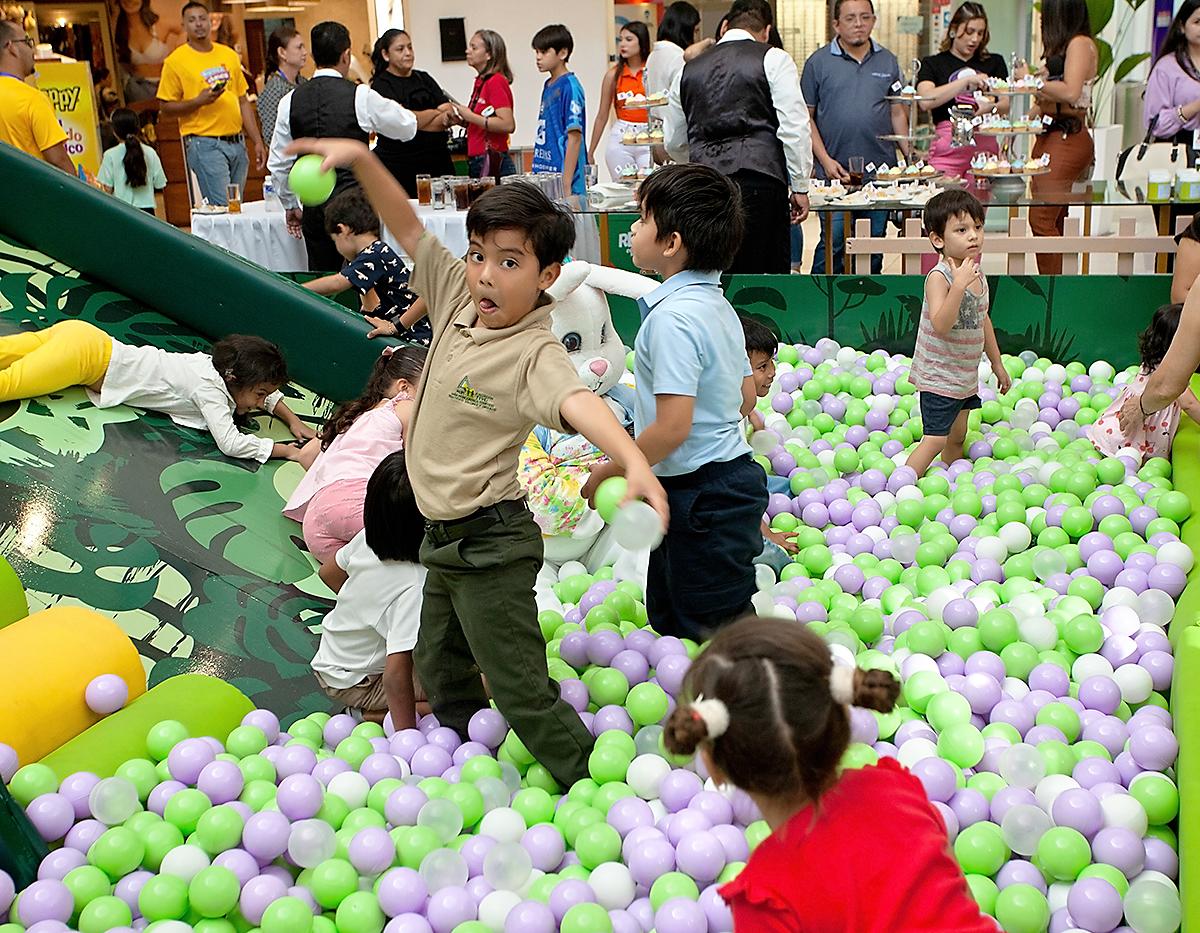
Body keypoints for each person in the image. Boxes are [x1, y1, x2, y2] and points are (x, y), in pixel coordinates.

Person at [284, 134, 667, 786]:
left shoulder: (533, 352)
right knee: (437, 660)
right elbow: (405, 221)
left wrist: (632, 456)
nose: (486, 273)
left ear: (547, 276)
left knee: (519, 684)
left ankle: (584, 781)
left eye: (510, 261)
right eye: (478, 255)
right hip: (439, 535)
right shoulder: (459, 297)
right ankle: (467, 753)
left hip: (492, 544)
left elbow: (578, 402)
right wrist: (358, 156)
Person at [663, 617, 995, 932]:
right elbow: (958, 895)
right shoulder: (896, 786)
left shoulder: (766, 895)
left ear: (713, 764)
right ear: (843, 718)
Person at [584, 164, 765, 641]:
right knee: (679, 605)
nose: (634, 228)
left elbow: (672, 427)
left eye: (642, 218)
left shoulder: (671, 321)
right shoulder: (719, 306)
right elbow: (746, 397)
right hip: (725, 481)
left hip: (701, 493)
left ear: (671, 243)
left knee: (709, 624)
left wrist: (617, 465)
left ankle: (753, 702)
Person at [0, 321, 312, 462]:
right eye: (259, 394)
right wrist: (289, 452)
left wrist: (292, 419)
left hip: (83, 337)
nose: (261, 401)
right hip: (83, 359)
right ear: (235, 380)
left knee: (6, 353)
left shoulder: (214, 367)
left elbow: (265, 392)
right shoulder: (209, 391)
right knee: (8, 385)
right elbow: (229, 443)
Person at [665, 0, 812, 275]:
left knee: (711, 273)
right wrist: (800, 185)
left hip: (706, 187)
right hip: (761, 180)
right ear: (766, 31)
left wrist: (700, 159)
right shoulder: (773, 58)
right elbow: (794, 126)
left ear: (724, 27)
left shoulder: (687, 70)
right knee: (763, 280)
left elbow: (673, 140)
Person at [268, 21, 417, 272]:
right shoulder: (359, 95)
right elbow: (408, 126)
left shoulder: (290, 100)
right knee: (366, 280)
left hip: (314, 207)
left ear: (314, 56)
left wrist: (290, 205)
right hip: (356, 208)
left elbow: (279, 163)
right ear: (346, 55)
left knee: (324, 278)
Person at [312, 450, 426, 729]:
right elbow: (396, 675)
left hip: (332, 657)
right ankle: (365, 716)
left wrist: (365, 608)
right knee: (468, 691)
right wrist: (406, 736)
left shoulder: (368, 538)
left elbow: (328, 573)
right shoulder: (414, 584)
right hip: (360, 682)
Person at [286, 346, 425, 564]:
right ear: (404, 387)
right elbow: (416, 463)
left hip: (316, 526)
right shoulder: (406, 406)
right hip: (358, 507)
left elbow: (306, 455)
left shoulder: (358, 413)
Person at [906, 190, 1010, 477]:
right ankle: (901, 484)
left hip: (964, 376)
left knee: (957, 435)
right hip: (939, 376)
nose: (973, 236)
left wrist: (997, 364)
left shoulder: (977, 275)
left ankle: (952, 478)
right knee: (935, 438)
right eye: (962, 230)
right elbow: (941, 323)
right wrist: (959, 286)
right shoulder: (939, 277)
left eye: (978, 227)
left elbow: (982, 319)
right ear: (938, 240)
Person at [802, 0, 909, 274]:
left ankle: (867, 308)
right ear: (836, 24)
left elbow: (897, 111)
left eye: (864, 17)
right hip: (835, 175)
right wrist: (824, 161)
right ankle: (822, 306)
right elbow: (806, 117)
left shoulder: (888, 60)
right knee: (833, 244)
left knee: (872, 245)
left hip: (879, 174)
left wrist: (909, 156)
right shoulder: (818, 63)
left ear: (874, 20)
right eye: (850, 18)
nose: (858, 24)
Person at [157, 1, 263, 207]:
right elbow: (165, 107)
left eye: (202, 18)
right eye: (192, 20)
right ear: (184, 25)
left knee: (235, 208)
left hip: (237, 142)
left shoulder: (229, 55)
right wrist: (198, 101)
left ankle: (230, 241)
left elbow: (242, 100)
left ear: (210, 22)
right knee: (223, 208)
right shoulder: (175, 61)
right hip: (204, 143)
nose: (198, 24)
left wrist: (256, 140)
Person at [301, 187, 430, 346]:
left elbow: (336, 283)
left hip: (414, 337)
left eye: (335, 241)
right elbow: (370, 305)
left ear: (343, 230)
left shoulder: (374, 254)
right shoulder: (372, 254)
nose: (338, 248)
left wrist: (297, 288)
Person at [1029, 0, 1098, 274]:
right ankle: (1056, 288)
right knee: (1055, 219)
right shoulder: (1065, 48)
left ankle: (1054, 291)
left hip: (1068, 136)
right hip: (1052, 133)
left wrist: (1034, 82)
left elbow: (1070, 92)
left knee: (1041, 219)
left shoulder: (1079, 43)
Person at [1091, 304, 1199, 464]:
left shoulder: (1153, 360)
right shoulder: (1171, 375)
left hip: (1109, 430)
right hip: (1126, 441)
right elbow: (1190, 404)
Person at [917, 3, 1008, 183]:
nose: (974, 39)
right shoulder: (933, 63)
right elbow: (925, 100)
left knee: (977, 209)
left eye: (980, 33)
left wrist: (990, 108)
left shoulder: (995, 62)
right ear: (953, 30)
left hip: (984, 146)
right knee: (944, 207)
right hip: (948, 147)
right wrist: (964, 82)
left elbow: (1005, 104)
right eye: (969, 31)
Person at [370, 29, 456, 193]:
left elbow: (448, 111)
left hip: (437, 162)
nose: (408, 53)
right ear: (386, 54)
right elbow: (400, 123)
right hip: (400, 167)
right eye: (400, 49)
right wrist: (434, 112)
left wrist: (413, 119)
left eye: (410, 47)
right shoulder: (381, 86)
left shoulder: (424, 78)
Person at [0, 20, 74, 173]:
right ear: (11, 47)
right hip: (32, 192)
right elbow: (59, 160)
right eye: (27, 42)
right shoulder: (31, 99)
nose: (33, 49)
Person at [644, 2, 708, 165]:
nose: (697, 35)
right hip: (674, 138)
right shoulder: (677, 57)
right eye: (695, 30)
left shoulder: (653, 56)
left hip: (655, 134)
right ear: (685, 28)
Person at [587, 21, 652, 179]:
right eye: (620, 39)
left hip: (648, 135)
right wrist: (590, 151)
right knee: (623, 188)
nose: (622, 44)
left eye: (629, 40)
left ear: (642, 42)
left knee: (649, 187)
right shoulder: (613, 75)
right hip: (622, 135)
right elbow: (602, 115)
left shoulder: (651, 71)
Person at [531, 24, 588, 197]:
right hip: (545, 171)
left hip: (567, 178)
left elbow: (575, 137)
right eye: (536, 52)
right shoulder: (548, 85)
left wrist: (566, 182)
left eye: (544, 52)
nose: (538, 58)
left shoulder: (570, 86)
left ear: (562, 53)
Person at [455, 29, 517, 180]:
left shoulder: (495, 81)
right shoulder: (481, 82)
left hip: (492, 161)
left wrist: (471, 116)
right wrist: (461, 120)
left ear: (489, 54)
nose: (467, 51)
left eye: (474, 48)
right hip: (477, 160)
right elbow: (481, 122)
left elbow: (507, 124)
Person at [1144, 0, 1200, 143]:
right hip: (1178, 151)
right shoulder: (1166, 68)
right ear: (1182, 26)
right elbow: (1156, 125)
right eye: (1198, 22)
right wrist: (1194, 107)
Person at [97, 107, 168, 213]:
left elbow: (106, 188)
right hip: (147, 211)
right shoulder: (150, 152)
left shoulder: (110, 155)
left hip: (120, 211)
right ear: (137, 128)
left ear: (114, 131)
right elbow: (160, 183)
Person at [111, 0, 182, 102]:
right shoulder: (119, 32)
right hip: (138, 90)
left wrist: (180, 47)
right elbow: (107, 43)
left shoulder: (158, 25)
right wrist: (115, 14)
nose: (130, 1)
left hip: (164, 85)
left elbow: (185, 28)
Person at [256, 27, 307, 150]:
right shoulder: (274, 90)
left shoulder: (303, 82)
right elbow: (271, 137)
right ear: (282, 52)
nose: (305, 52)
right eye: (299, 47)